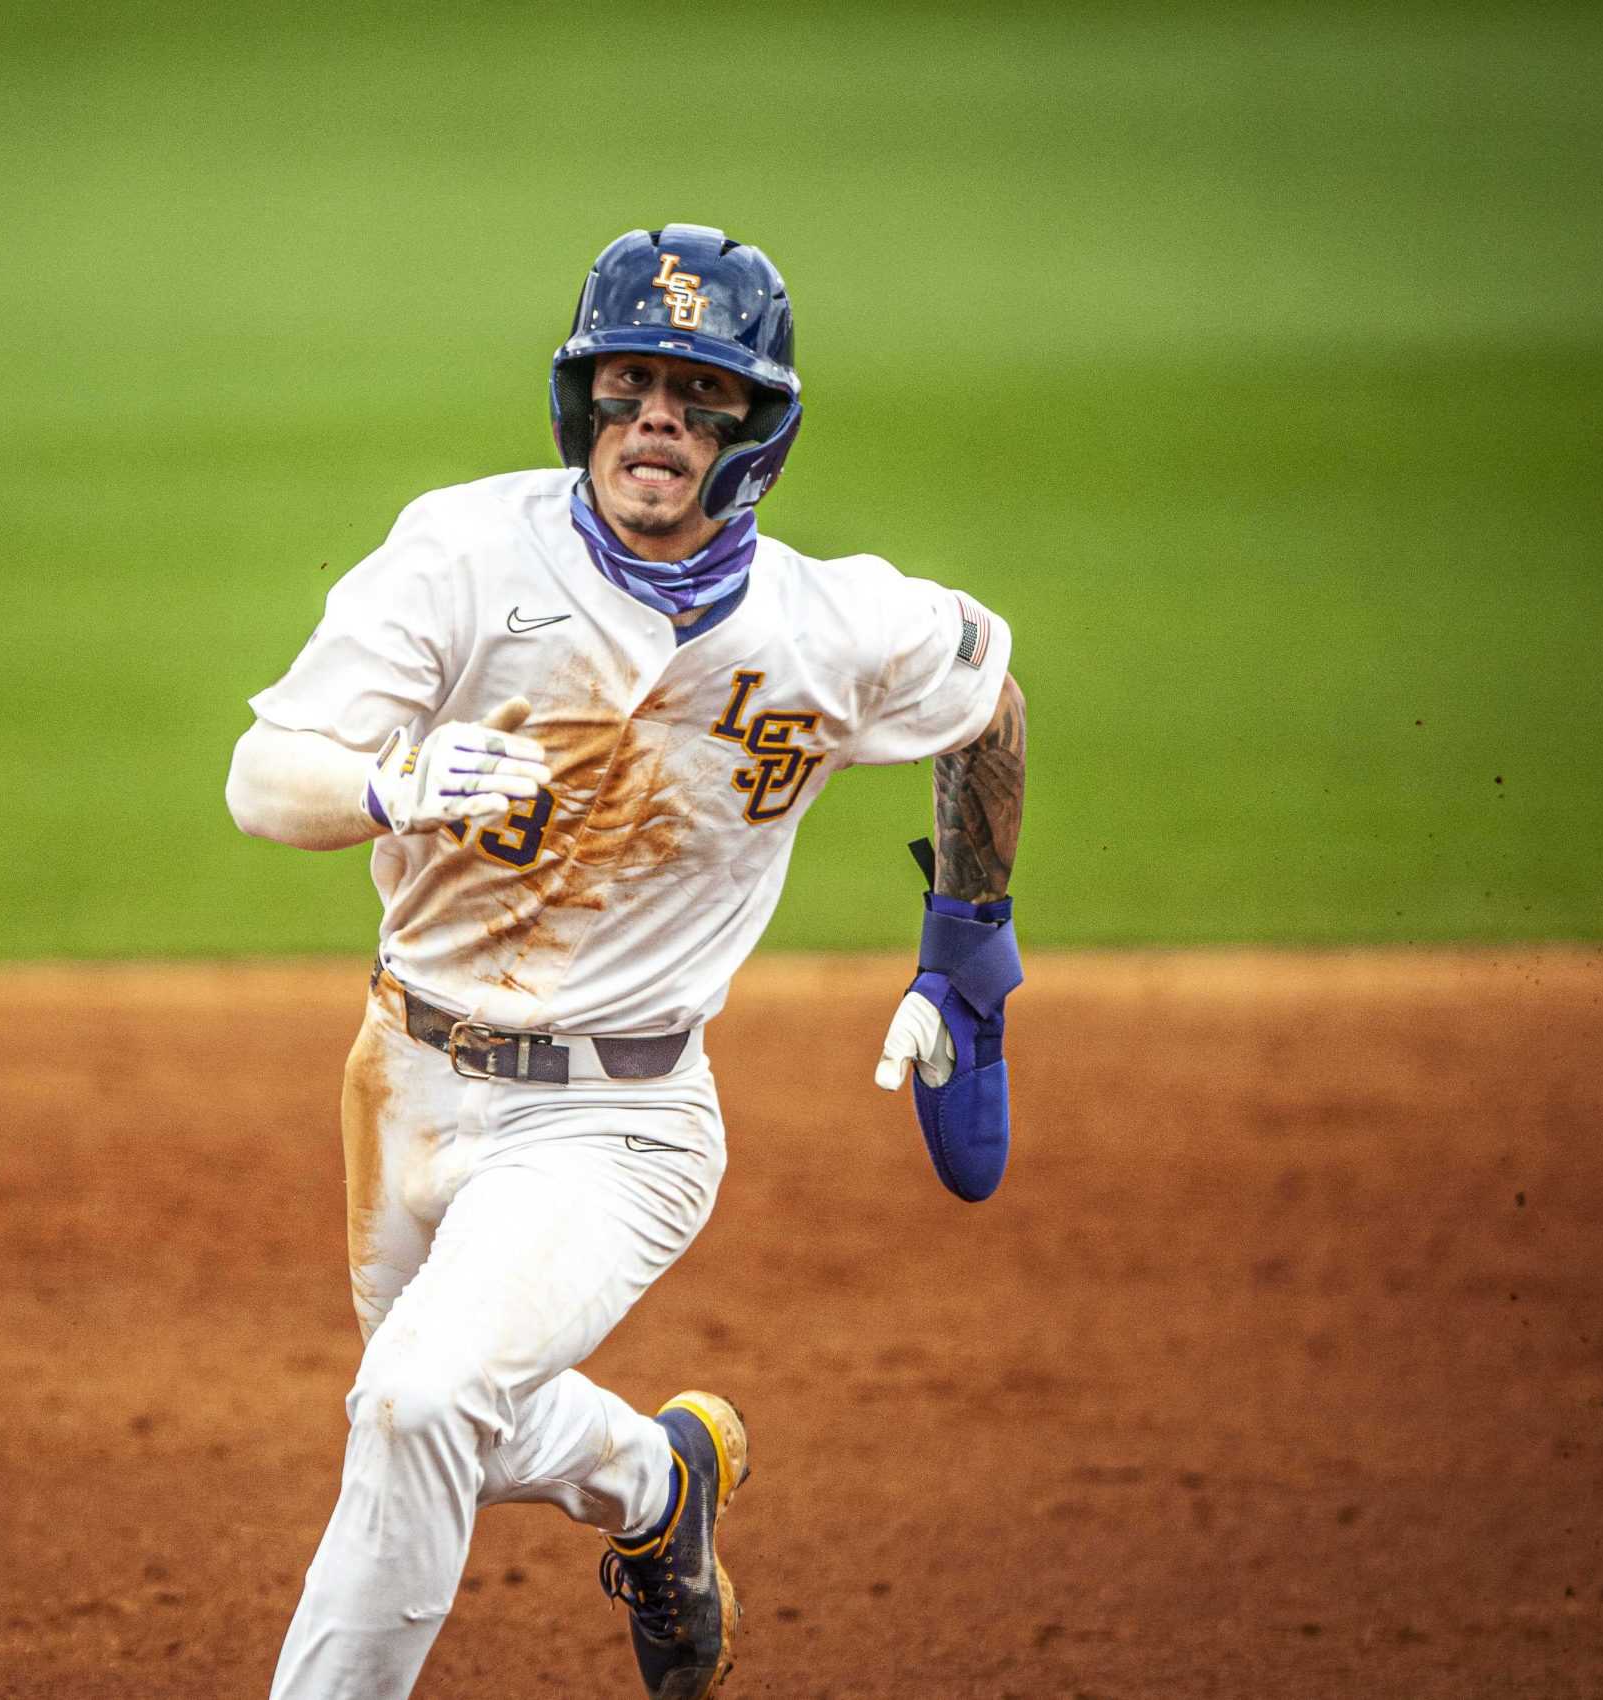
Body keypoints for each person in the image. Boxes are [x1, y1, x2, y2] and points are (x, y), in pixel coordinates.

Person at [225, 223, 1030, 1700]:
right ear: (580, 404)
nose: (654, 417)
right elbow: (262, 776)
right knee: (442, 1409)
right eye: (627, 382)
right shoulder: (463, 553)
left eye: (697, 393)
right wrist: (392, 783)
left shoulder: (833, 627)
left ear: (754, 433)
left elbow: (987, 700)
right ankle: (660, 1488)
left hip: (622, 1119)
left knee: (416, 1403)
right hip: (399, 1079)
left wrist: (965, 950)